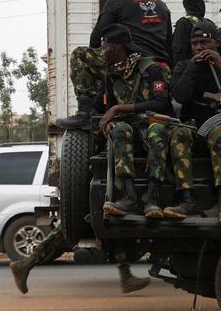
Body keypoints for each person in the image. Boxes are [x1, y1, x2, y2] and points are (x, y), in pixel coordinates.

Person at [9, 24, 166, 296]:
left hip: (141, 144)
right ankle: (28, 264)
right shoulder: (112, 75)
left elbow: (161, 103)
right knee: (92, 220)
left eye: (105, 47)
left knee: (95, 221)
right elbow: (100, 105)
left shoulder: (148, 69)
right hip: (119, 152)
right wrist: (81, 119)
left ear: (117, 48)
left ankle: (27, 264)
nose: (102, 52)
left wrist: (120, 109)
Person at [57, 0, 173, 128]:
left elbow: (95, 38)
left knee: (80, 54)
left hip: (132, 61)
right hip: (159, 65)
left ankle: (84, 111)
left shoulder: (117, 1)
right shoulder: (162, 5)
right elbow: (169, 42)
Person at [167, 20, 221, 223]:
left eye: (204, 43)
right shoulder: (183, 66)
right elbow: (179, 95)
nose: (198, 48)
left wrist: (220, 67)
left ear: (217, 44)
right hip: (193, 124)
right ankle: (187, 199)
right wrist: (193, 67)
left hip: (219, 125)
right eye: (195, 43)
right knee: (178, 134)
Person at [170, 0, 207, 64]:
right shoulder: (208, 23)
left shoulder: (183, 24)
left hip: (189, 70)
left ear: (184, 4)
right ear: (202, 3)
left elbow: (178, 55)